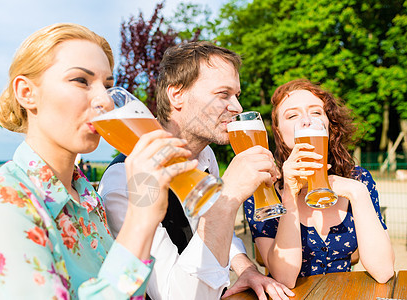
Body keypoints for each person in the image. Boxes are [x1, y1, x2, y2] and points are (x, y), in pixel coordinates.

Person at [0, 23, 198, 299]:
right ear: (26, 93)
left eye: (107, 85)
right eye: (81, 81)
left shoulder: (88, 199)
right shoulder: (0, 202)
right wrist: (141, 217)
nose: (105, 101)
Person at [99, 41, 294, 300]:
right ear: (176, 95)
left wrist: (245, 268)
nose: (237, 107)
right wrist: (229, 197)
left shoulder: (205, 154)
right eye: (223, 94)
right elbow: (170, 295)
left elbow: (211, 224)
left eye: (237, 95)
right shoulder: (123, 179)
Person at [245, 79, 395, 288]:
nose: (306, 120)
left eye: (316, 112)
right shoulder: (263, 189)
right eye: (292, 115)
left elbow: (383, 271)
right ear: (278, 131)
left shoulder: (358, 180)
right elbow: (284, 279)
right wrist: (289, 196)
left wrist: (357, 192)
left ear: (328, 125)